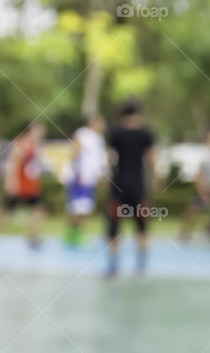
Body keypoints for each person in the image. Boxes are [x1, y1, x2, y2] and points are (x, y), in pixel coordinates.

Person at [105, 100, 156, 278]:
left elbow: (110, 158)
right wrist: (155, 179)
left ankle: (113, 267)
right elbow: (151, 159)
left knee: (114, 225)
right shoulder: (145, 132)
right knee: (142, 226)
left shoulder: (116, 132)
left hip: (118, 182)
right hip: (138, 185)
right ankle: (141, 268)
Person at [0, 121, 46, 249]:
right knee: (6, 211)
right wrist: (11, 182)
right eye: (39, 130)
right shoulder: (22, 144)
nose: (42, 133)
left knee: (38, 210)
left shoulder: (35, 145)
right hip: (20, 185)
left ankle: (33, 237)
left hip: (31, 186)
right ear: (31, 130)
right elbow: (13, 164)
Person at [63, 115, 106, 248]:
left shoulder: (99, 138)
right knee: (78, 207)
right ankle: (73, 235)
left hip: (90, 178)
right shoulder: (83, 134)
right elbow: (74, 152)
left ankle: (75, 234)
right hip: (81, 176)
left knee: (85, 207)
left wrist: (100, 176)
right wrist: (76, 171)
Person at [179, 128, 210, 243]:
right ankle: (185, 231)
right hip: (206, 188)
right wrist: (203, 190)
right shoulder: (206, 155)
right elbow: (199, 175)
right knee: (194, 208)